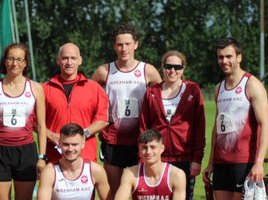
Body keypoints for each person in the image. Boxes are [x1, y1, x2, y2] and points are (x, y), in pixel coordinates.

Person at [92, 23, 162, 192]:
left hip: (141, 140)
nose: (124, 48)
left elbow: (163, 101)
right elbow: (88, 97)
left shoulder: (148, 71)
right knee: (115, 192)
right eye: (120, 44)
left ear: (136, 44)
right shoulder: (104, 71)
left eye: (128, 44)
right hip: (113, 141)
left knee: (142, 191)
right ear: (114, 46)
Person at [203, 37, 268, 200]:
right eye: (220, 57)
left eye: (228, 56)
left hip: (244, 161)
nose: (224, 61)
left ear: (239, 57)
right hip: (221, 163)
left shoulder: (252, 84)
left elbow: (266, 125)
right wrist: (211, 162)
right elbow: (217, 128)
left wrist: (259, 162)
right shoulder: (219, 88)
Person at [0, 43, 47, 200]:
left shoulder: (36, 88)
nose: (14, 63)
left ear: (25, 63)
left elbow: (41, 126)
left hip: (26, 152)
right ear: (5, 61)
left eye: (19, 59)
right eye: (10, 58)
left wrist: (42, 157)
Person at [139, 50, 206, 200]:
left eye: (177, 67)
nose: (172, 71)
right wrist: (142, 158)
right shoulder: (152, 92)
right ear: (162, 67)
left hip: (185, 158)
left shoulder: (193, 90)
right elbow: (144, 128)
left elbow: (199, 127)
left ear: (183, 69)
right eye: (168, 66)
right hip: (157, 158)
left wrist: (197, 159)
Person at [44, 42, 109, 163]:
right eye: (65, 58)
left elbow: (103, 119)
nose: (69, 62)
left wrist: (83, 134)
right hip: (54, 157)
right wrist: (50, 134)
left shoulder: (93, 88)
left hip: (86, 156)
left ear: (80, 60)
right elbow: (34, 120)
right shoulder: (45, 89)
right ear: (58, 60)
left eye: (73, 58)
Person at [37, 123, 111, 200]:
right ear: (59, 144)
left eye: (74, 144)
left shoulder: (95, 170)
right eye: (66, 144)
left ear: (83, 144)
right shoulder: (50, 171)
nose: (70, 149)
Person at [115, 129, 186, 200]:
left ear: (162, 148)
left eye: (153, 147)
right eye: (144, 147)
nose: (148, 152)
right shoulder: (130, 173)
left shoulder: (177, 175)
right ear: (139, 150)